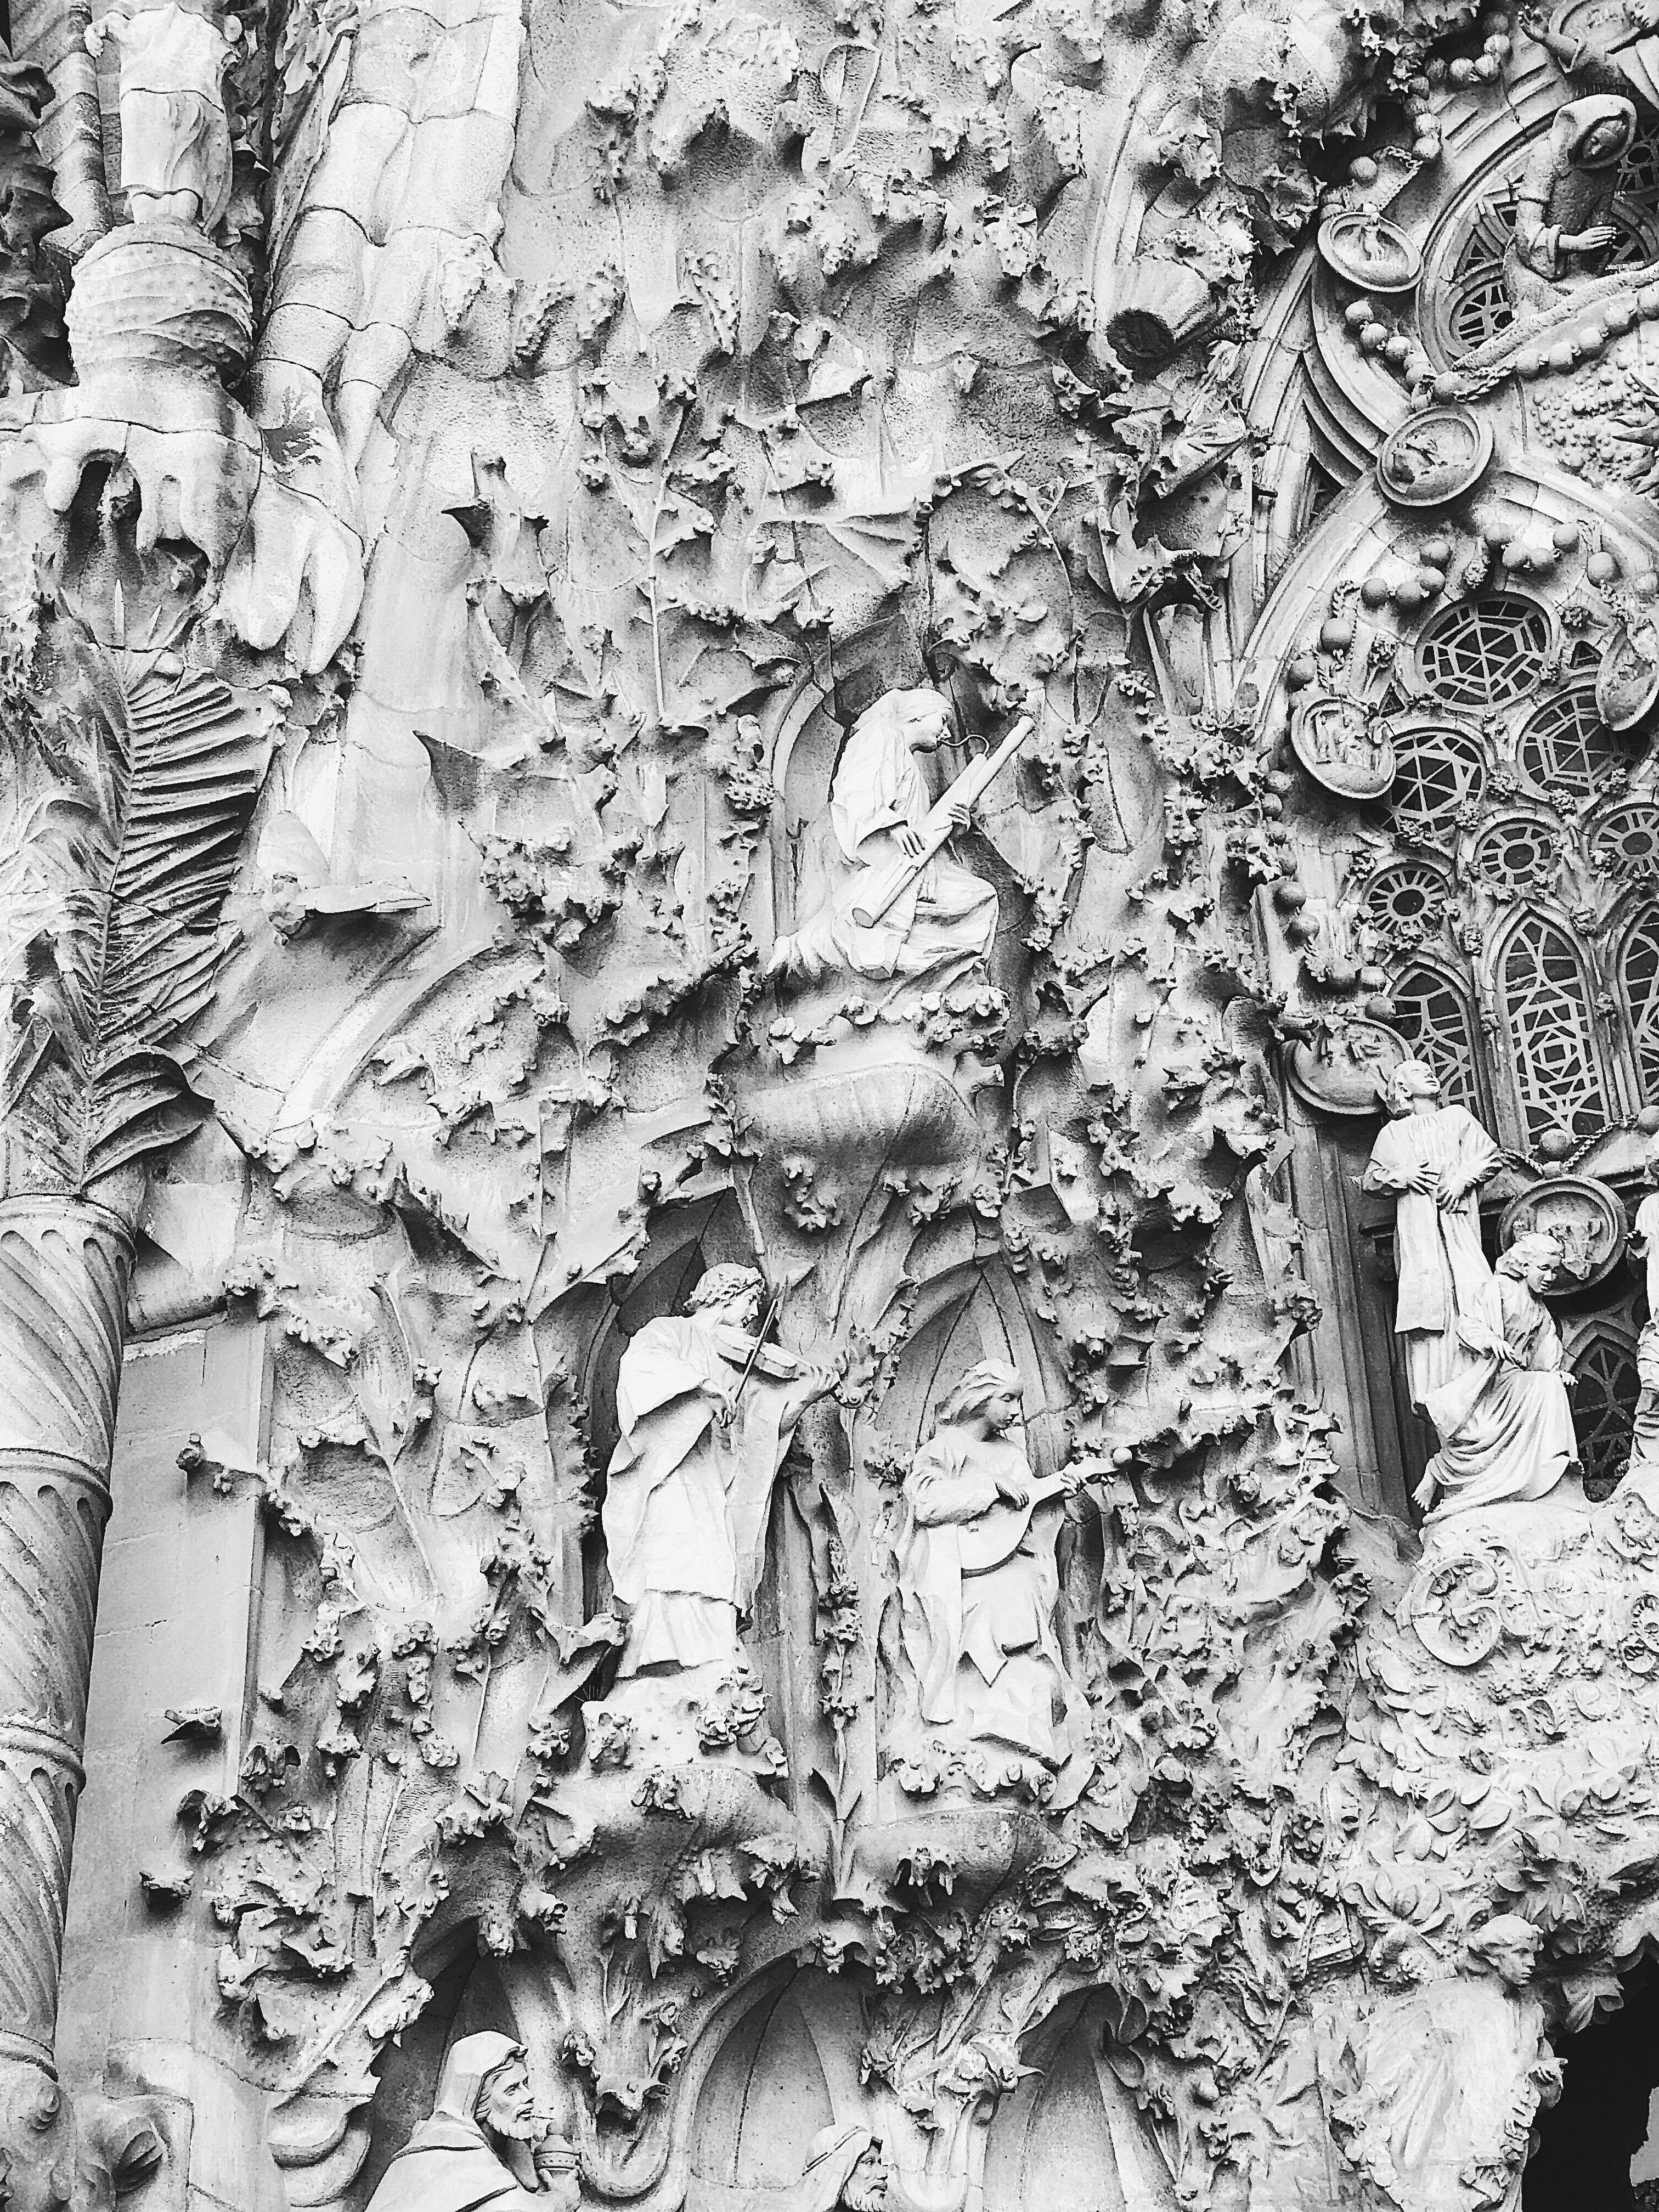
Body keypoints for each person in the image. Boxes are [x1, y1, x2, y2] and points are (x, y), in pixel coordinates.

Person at [602, 1265, 837, 1675]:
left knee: (716, 1559)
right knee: (673, 1552)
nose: (751, 1314)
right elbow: (640, 1371)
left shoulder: (735, 1357)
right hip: (672, 1470)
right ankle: (659, 1652)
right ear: (723, 1296)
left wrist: (802, 1401)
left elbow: (761, 1430)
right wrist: (699, 1386)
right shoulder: (670, 1332)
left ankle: (712, 1653)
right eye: (748, 1301)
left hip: (714, 1473)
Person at [895, 1363, 1079, 1775]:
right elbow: (924, 1504)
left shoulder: (1011, 1454)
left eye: (1020, 1399)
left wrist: (1052, 1497)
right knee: (981, 1614)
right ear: (980, 1398)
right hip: (958, 1569)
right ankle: (971, 1724)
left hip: (1008, 1564)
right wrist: (987, 1487)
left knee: (1022, 1608)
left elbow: (1021, 1516)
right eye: (1008, 1398)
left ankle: (1018, 1728)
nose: (1016, 1410)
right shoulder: (947, 1447)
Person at [766, 687, 998, 996]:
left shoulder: (913, 768)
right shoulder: (881, 733)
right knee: (970, 900)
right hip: (882, 850)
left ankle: (936, 977)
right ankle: (803, 951)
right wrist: (891, 827)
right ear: (917, 714)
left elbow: (923, 829)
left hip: (909, 860)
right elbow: (857, 786)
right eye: (942, 721)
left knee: (979, 897)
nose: (945, 733)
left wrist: (955, 826)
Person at [1362, 1059, 1504, 1419]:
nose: (1427, 1072)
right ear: (1403, 1088)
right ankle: (1442, 1391)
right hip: (1419, 1236)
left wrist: (1463, 1179)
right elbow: (1371, 1181)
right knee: (1430, 1303)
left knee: (1472, 1289)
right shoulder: (1393, 1135)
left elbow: (1490, 1156)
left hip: (1458, 1226)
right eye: (1414, 1071)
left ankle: (1487, 1373)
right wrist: (1403, 1175)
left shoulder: (1455, 1118)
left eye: (1429, 1069)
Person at [1415, 1232, 1581, 1519]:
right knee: (1484, 1433)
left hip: (1515, 1379)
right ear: (1525, 1266)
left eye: (1555, 1270)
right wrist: (1493, 1342)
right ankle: (1439, 1469)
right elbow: (1469, 1325)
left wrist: (1557, 1374)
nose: (1551, 1277)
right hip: (1488, 1379)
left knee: (1549, 1387)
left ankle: (1549, 1473)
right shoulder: (1500, 1289)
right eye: (1545, 1268)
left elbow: (1545, 1349)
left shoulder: (1540, 1311)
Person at [364, 2033, 577, 2210]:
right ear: (478, 2100)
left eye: (525, 2084)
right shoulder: (450, 2153)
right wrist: (561, 2201)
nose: (528, 2096)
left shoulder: (485, 2157)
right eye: (512, 2090)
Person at [1504, 93, 1638, 313]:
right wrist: (1576, 243)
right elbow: (1525, 234)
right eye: (1594, 141)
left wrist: (1599, 243)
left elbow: (1594, 232)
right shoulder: (1547, 156)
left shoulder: (1606, 176)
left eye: (1606, 150)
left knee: (1599, 307)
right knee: (1538, 313)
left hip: (1575, 270)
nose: (1596, 152)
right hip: (1531, 267)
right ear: (1584, 131)